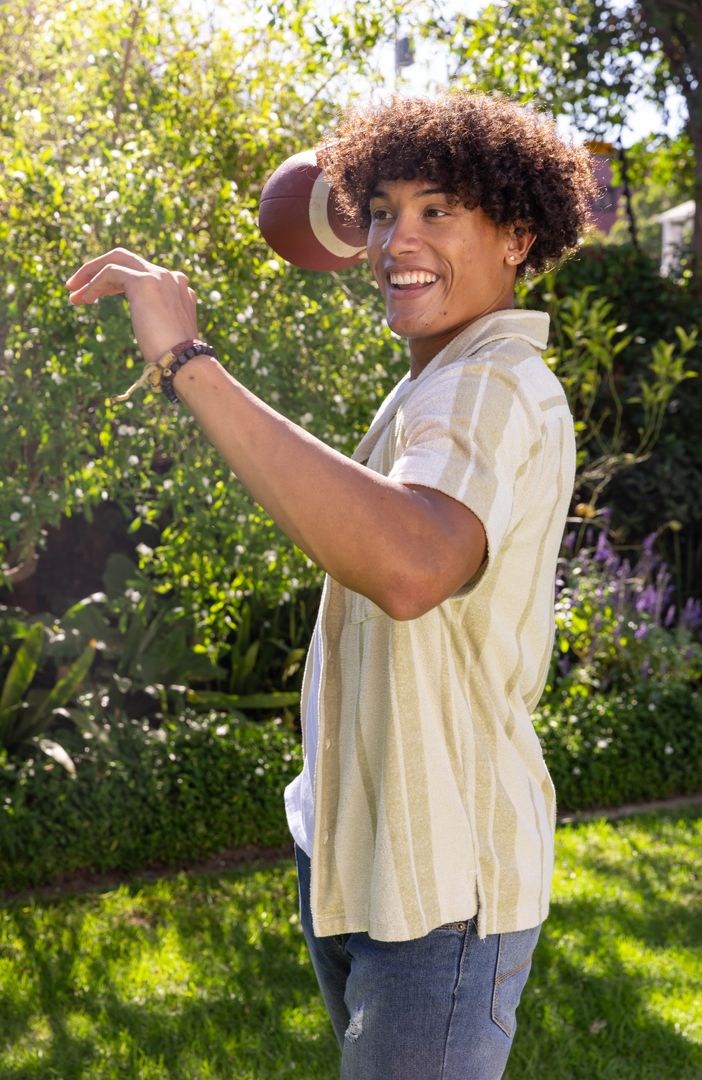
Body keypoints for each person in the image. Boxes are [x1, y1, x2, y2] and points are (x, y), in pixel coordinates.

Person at [67, 93, 596, 1079]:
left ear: (519, 236)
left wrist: (187, 361)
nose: (399, 239)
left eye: (439, 210)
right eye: (384, 211)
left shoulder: (489, 381)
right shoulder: (437, 377)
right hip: (369, 850)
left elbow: (410, 565)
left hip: (441, 884)